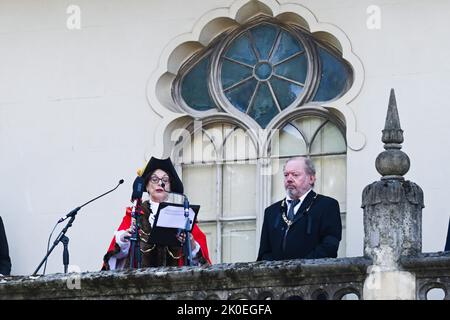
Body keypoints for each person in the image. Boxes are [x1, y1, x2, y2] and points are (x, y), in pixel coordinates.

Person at [102, 157, 211, 270]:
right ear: (147, 187)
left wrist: (191, 243)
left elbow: (202, 266)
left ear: (170, 187)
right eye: (154, 179)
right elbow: (116, 260)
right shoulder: (135, 214)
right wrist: (124, 239)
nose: (160, 183)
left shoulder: (183, 215)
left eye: (165, 180)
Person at [257, 156, 342, 261]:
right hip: (278, 276)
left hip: (311, 274)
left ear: (311, 178)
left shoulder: (327, 206)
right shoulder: (271, 212)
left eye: (295, 175)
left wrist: (299, 268)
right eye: (286, 175)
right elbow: (264, 254)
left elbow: (329, 247)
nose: (289, 179)